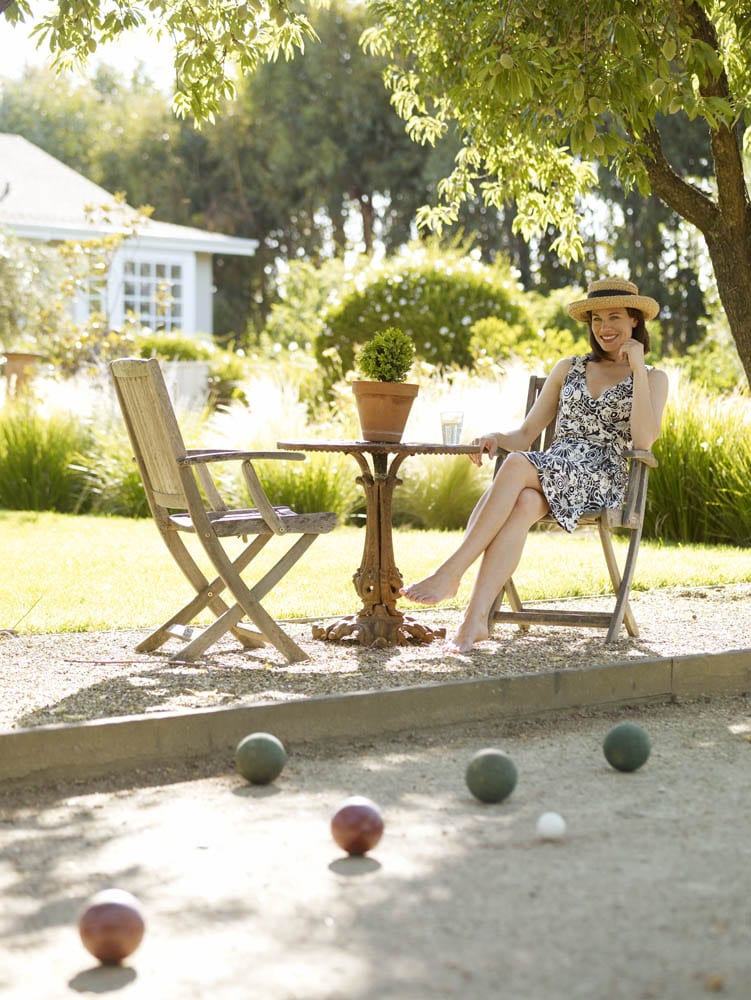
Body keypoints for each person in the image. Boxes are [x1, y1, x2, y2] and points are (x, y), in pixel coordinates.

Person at [400, 277, 669, 653]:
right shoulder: (568, 368)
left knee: (515, 468)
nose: (605, 328)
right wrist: (494, 437)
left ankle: (452, 571)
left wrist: (638, 369)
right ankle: (473, 621)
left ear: (635, 322)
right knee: (524, 501)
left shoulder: (654, 377)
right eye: (596, 320)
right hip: (555, 470)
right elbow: (526, 435)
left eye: (615, 318)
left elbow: (642, 441)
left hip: (602, 477)